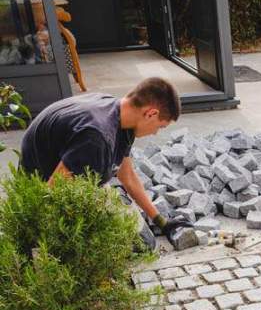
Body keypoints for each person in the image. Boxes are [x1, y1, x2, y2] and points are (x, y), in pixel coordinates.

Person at [20, 78, 184, 247]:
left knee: (144, 240)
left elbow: (127, 175)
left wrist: (161, 222)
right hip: (44, 192)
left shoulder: (121, 115)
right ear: (151, 114)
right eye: (160, 127)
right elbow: (52, 192)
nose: (156, 133)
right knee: (138, 246)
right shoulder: (96, 137)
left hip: (75, 176)